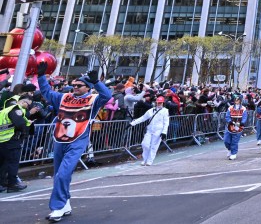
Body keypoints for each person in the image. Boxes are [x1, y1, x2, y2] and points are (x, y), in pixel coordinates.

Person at [38, 64, 111, 222]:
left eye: (79, 85)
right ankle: (65, 204)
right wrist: (41, 77)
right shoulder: (64, 97)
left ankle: (57, 207)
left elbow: (107, 96)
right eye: (74, 85)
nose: (75, 87)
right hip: (59, 139)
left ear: (88, 88)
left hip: (78, 141)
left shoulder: (93, 99)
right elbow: (46, 93)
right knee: (59, 174)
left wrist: (97, 82)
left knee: (63, 174)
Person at [0, 93, 32, 192]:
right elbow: (20, 123)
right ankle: (12, 184)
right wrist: (24, 132)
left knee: (3, 164)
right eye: (28, 104)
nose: (28, 107)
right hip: (12, 140)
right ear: (22, 101)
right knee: (13, 163)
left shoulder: (4, 111)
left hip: (2, 140)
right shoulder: (15, 109)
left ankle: (1, 184)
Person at [129, 95, 169, 166]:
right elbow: (143, 118)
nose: (159, 104)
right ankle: (145, 159)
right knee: (145, 144)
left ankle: (149, 161)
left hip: (158, 131)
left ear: (163, 103)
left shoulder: (165, 111)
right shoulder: (151, 110)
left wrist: (164, 132)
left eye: (160, 103)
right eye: (158, 102)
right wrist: (132, 124)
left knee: (154, 146)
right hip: (150, 130)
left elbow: (166, 123)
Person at [224, 95, 248, 160]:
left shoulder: (243, 108)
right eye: (235, 100)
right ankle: (229, 149)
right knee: (226, 140)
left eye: (238, 100)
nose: (236, 101)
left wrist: (242, 122)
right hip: (230, 125)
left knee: (235, 140)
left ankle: (233, 153)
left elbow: (245, 117)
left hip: (238, 126)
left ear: (240, 100)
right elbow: (227, 116)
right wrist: (229, 121)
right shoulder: (230, 108)